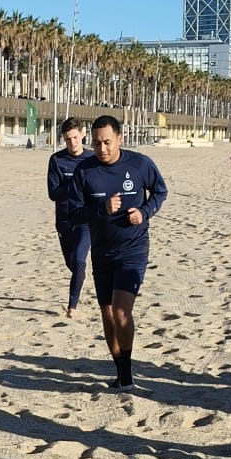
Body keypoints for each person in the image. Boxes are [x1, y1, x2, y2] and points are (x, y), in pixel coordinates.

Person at [75, 114, 166, 391]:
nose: (102, 149)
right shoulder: (85, 171)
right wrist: (100, 210)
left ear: (119, 139)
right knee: (107, 314)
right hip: (102, 252)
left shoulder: (140, 164)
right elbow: (74, 213)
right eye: (96, 144)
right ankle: (120, 371)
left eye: (107, 143)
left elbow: (160, 192)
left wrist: (144, 212)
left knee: (121, 312)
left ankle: (127, 375)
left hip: (133, 249)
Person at [47, 117, 92, 317]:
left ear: (82, 135)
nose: (73, 143)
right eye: (68, 139)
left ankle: (72, 307)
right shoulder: (57, 160)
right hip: (64, 221)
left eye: (75, 137)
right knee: (72, 265)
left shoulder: (92, 159)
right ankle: (80, 278)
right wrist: (74, 182)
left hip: (86, 220)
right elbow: (53, 193)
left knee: (80, 261)